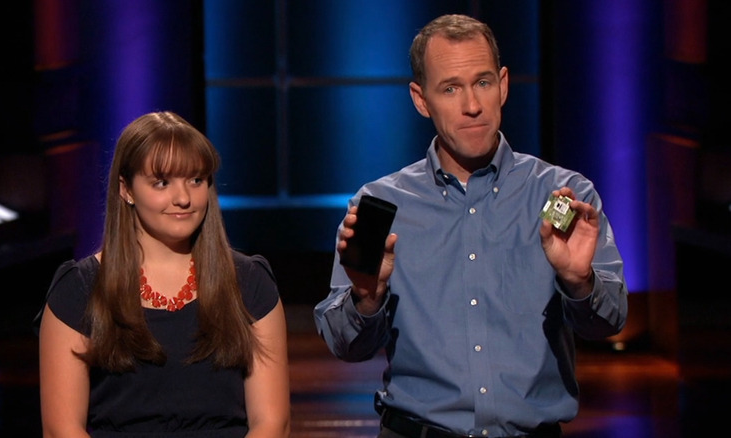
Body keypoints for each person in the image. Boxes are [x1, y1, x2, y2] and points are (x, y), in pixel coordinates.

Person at [314, 14, 628, 438]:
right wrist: (366, 299)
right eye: (450, 88)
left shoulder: (562, 197)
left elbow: (609, 323)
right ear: (421, 99)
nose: (472, 105)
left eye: (482, 82)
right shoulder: (380, 206)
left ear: (503, 85)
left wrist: (579, 281)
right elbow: (344, 346)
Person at [35, 111, 290, 437]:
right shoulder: (78, 291)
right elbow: (62, 429)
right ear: (126, 189)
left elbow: (272, 423)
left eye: (196, 180)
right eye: (162, 182)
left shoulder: (250, 283)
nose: (183, 198)